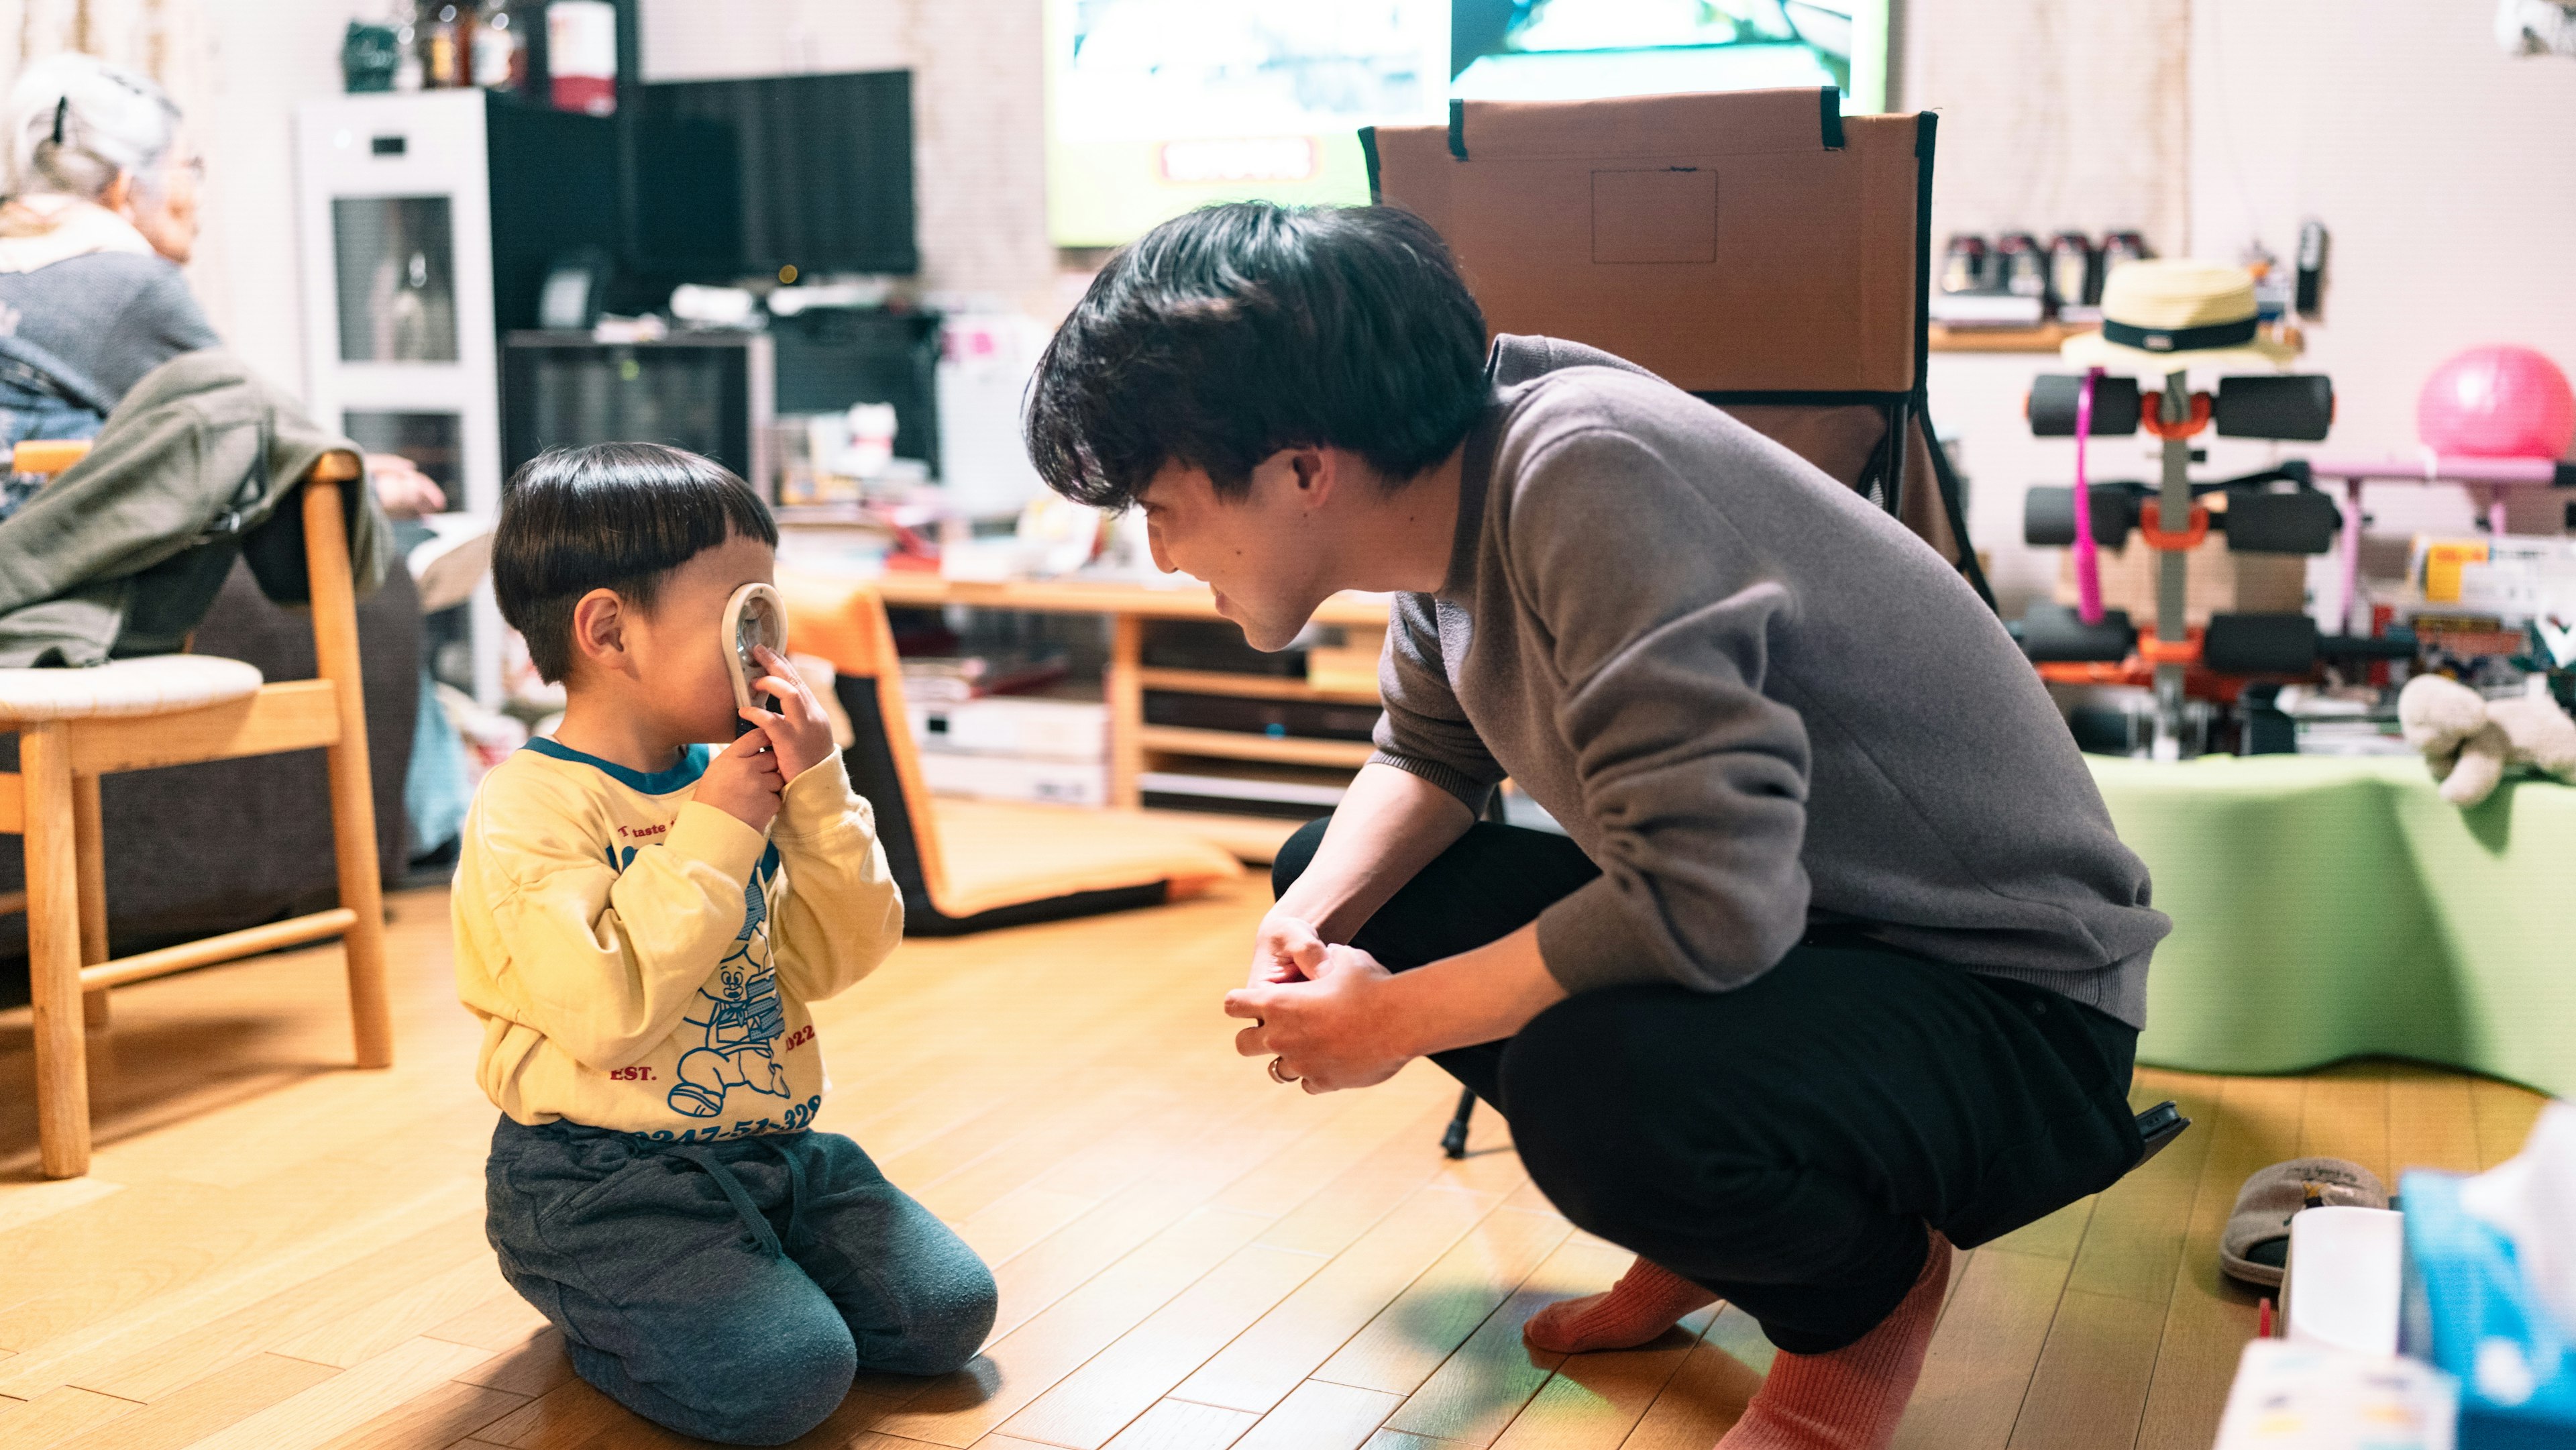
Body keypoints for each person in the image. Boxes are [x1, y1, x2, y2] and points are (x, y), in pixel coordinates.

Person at [1024, 203, 2169, 1450]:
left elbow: (1707, 897)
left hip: (2015, 1008)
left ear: (1306, 469)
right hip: (1808, 940)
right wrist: (1306, 923)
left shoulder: (1583, 471)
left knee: (1589, 1085)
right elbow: (1432, 749)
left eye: (1162, 504)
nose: (1158, 550)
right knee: (1340, 879)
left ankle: (1857, 1309)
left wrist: (1391, 1021)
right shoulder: (1447, 483)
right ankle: (1718, 1238)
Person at [454, 444, 996, 1445]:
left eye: (770, 618)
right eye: (744, 620)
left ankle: (735, 1273)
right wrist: (716, 829)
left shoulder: (723, 775)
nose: (769, 655)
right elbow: (606, 1014)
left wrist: (819, 795)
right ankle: (594, 1296)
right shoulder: (529, 806)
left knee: (948, 1310)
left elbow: (835, 957)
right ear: (609, 630)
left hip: (771, 1145)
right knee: (790, 1376)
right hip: (596, 1178)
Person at [0, 52, 443, 517]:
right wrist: (368, 490)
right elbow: (244, 436)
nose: (198, 196)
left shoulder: (23, 260)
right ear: (126, 190)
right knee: (382, 573)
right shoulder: (126, 285)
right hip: (43, 570)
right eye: (188, 169)